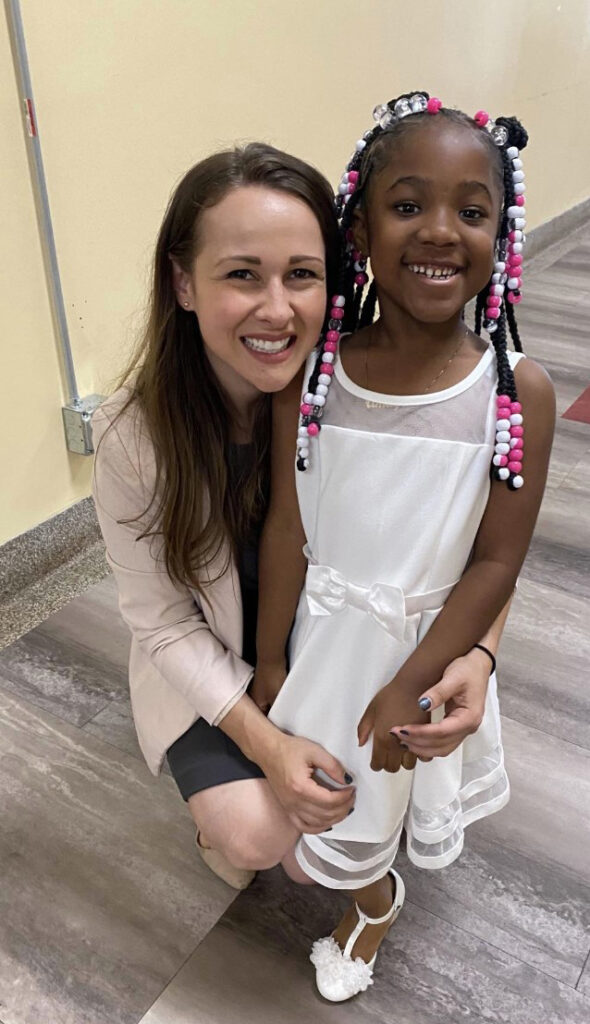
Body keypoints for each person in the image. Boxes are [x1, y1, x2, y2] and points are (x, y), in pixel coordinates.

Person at [91, 140, 513, 897]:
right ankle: (225, 802)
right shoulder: (133, 439)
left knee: (315, 843)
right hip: (222, 671)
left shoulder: (367, 400)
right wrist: (266, 740)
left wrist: (478, 658)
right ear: (184, 283)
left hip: (340, 660)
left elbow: (475, 549)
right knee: (257, 835)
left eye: (303, 276)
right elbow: (160, 624)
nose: (278, 310)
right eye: (241, 275)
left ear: (339, 277)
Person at [253, 93, 555, 1001]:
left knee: (380, 797)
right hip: (323, 639)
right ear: (360, 224)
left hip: (421, 653)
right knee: (317, 801)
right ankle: (356, 877)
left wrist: (409, 683)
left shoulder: (515, 392)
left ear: (501, 237)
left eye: (471, 211)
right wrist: (269, 660)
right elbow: (287, 525)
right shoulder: (311, 372)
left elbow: (495, 563)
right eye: (408, 203)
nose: (438, 231)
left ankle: (372, 905)